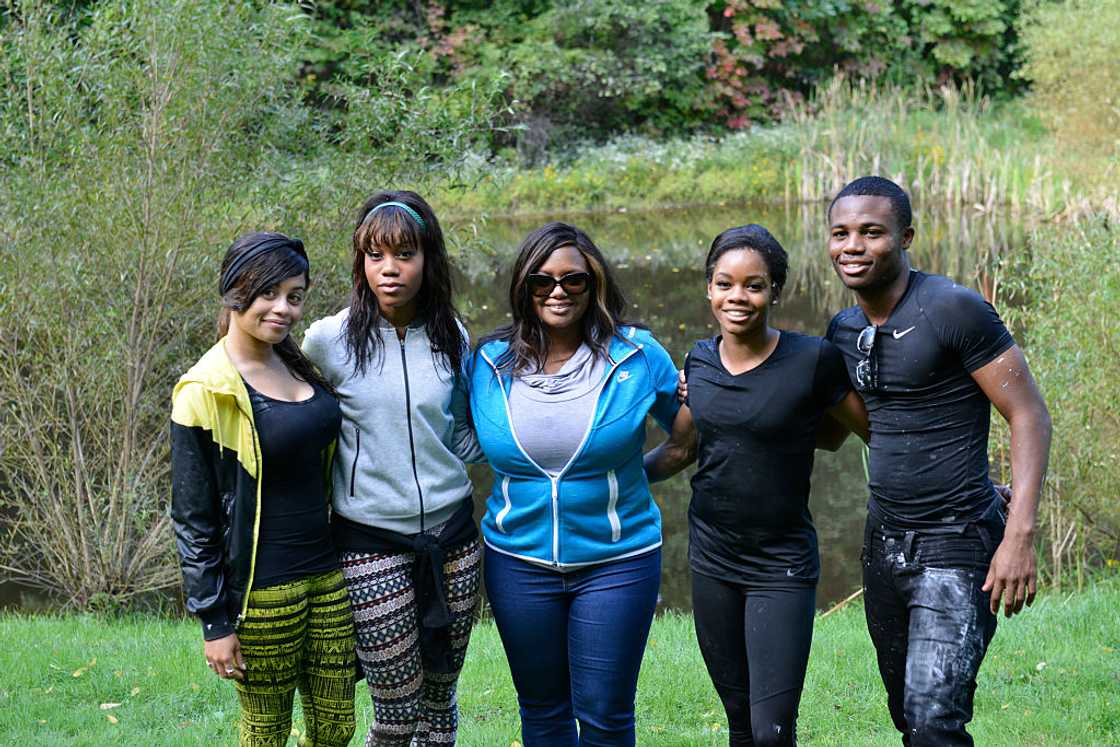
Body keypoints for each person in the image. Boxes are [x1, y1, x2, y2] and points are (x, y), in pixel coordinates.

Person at [823, 176, 1052, 746]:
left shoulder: (954, 309)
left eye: (871, 233)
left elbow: (1028, 415)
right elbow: (863, 429)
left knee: (934, 722)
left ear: (906, 237)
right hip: (884, 542)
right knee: (907, 713)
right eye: (840, 233)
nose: (852, 246)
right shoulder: (844, 330)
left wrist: (1018, 535)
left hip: (958, 541)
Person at [645, 224, 869, 746]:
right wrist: (608, 480)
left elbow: (859, 431)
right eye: (725, 284)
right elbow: (680, 449)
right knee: (740, 722)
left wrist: (959, 482)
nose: (737, 298)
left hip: (781, 564)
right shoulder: (698, 360)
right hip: (712, 558)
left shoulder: (812, 360)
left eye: (754, 285)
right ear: (708, 288)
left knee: (772, 732)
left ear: (775, 291)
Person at [468, 222, 684, 746]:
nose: (558, 292)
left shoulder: (636, 355)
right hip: (517, 563)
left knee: (606, 715)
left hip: (618, 561)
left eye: (573, 280)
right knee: (542, 713)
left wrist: (631, 475)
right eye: (542, 281)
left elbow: (685, 439)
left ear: (595, 284)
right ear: (524, 286)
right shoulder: (485, 363)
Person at [302, 191, 483, 747]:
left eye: (404, 254)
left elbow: (464, 432)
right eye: (374, 255)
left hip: (453, 537)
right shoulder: (327, 342)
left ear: (427, 258)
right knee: (395, 705)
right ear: (359, 261)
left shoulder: (453, 336)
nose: (389, 269)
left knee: (440, 700)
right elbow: (276, 396)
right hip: (369, 538)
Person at [170, 232, 357, 747]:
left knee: (337, 728)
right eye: (268, 294)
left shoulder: (295, 362)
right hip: (263, 591)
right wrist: (214, 621)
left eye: (294, 296)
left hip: (327, 577)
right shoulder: (203, 390)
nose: (283, 309)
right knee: (266, 732)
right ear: (235, 293)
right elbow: (193, 517)